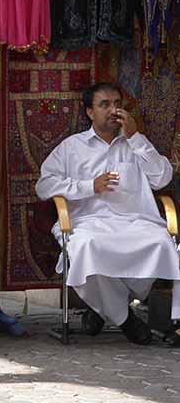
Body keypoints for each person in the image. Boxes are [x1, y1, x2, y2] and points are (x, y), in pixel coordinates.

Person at [36, 82, 180, 344]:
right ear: (90, 112)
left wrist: (136, 138)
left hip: (136, 221)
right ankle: (126, 320)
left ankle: (105, 308)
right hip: (87, 222)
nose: (113, 110)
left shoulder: (135, 144)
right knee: (87, 246)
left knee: (161, 242)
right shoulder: (72, 147)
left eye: (117, 104)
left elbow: (162, 177)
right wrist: (89, 186)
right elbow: (44, 185)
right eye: (105, 104)